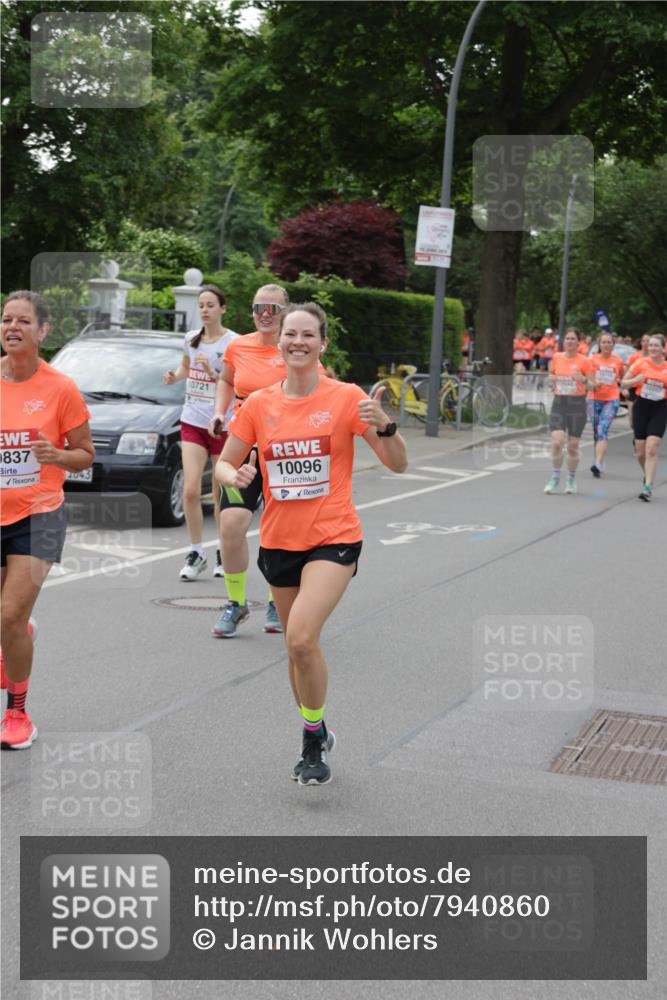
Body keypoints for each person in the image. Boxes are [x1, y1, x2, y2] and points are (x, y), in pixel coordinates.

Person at [216, 302, 408, 785]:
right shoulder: (259, 403)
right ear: (279, 343)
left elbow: (397, 463)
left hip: (334, 537)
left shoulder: (345, 398)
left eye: (308, 335)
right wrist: (232, 474)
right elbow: (224, 462)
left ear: (322, 344)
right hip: (279, 542)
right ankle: (315, 729)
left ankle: (310, 744)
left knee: (301, 635)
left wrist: (385, 424)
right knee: (296, 651)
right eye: (290, 334)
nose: (298, 342)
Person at [1, 291, 94, 749]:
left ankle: (17, 715)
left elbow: (85, 455)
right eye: (6, 319)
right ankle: (15, 636)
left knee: (10, 612)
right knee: (7, 622)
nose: (11, 327)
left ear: (41, 331)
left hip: (39, 515)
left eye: (22, 321)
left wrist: (57, 455)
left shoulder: (60, 388)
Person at [208, 284, 307, 637]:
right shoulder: (238, 346)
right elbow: (226, 378)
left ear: (285, 311)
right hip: (243, 446)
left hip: (283, 451)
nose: (265, 313)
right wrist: (220, 411)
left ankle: (276, 601)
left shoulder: (297, 348)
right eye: (258, 307)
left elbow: (320, 391)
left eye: (273, 308)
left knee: (279, 530)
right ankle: (235, 604)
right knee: (232, 523)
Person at [164, 285, 237, 580]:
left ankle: (223, 550)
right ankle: (196, 552)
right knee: (191, 490)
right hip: (192, 419)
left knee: (220, 494)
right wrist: (174, 376)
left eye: (210, 305)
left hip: (221, 423)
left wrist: (212, 373)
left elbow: (237, 381)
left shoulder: (234, 343)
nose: (205, 310)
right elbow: (185, 368)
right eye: (201, 305)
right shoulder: (190, 340)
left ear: (223, 308)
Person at [543, 327, 594, 495]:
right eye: (567, 339)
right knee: (557, 442)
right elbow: (551, 375)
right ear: (563, 341)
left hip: (577, 404)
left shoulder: (585, 361)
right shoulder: (557, 357)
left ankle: (571, 479)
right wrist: (551, 379)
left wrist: (584, 379)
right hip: (559, 402)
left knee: (572, 446)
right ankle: (555, 477)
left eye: (573, 339)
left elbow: (594, 385)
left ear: (579, 342)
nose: (570, 342)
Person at [621, 333, 667, 501]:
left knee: (652, 448)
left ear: (663, 348)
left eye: (657, 345)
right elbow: (623, 382)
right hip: (641, 407)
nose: (653, 348)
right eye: (651, 345)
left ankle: (648, 486)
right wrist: (635, 380)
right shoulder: (640, 363)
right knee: (640, 453)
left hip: (660, 408)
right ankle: (647, 474)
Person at [586, 332, 625, 477]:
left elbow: (622, 377)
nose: (607, 345)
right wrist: (592, 383)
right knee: (597, 432)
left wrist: (624, 388)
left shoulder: (618, 361)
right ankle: (600, 460)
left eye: (609, 342)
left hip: (611, 399)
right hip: (593, 399)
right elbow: (587, 378)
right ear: (599, 344)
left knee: (602, 428)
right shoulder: (592, 360)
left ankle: (597, 463)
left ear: (613, 345)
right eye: (604, 342)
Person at [625, 333, 651, 433]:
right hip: (633, 389)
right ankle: (637, 440)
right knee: (633, 421)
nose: (645, 343)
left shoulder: (655, 357)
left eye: (648, 341)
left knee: (645, 419)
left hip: (647, 390)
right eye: (643, 341)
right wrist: (624, 388)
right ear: (641, 342)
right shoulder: (634, 356)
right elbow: (625, 374)